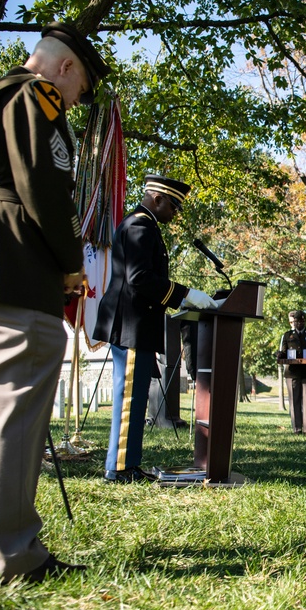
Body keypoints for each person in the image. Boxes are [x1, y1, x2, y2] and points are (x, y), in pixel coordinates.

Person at [0, 22, 110, 584]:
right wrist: (71, 264)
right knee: (10, 416)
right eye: (81, 88)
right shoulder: (37, 97)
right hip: (16, 268)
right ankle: (13, 557)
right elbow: (44, 188)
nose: (77, 100)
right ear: (64, 69)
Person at [93, 175, 218, 482]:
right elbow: (139, 278)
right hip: (131, 325)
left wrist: (179, 299)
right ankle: (120, 468)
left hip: (137, 323)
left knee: (135, 399)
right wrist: (184, 294)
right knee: (130, 400)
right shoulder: (140, 225)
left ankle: (127, 464)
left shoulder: (144, 225)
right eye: (174, 206)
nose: (175, 214)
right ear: (158, 198)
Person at [278, 310, 306, 434]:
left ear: (305, 321)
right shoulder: (287, 335)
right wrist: (280, 354)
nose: (299, 323)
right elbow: (284, 352)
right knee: (294, 400)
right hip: (292, 372)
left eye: (301, 321)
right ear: (293, 322)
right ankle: (297, 428)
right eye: (296, 321)